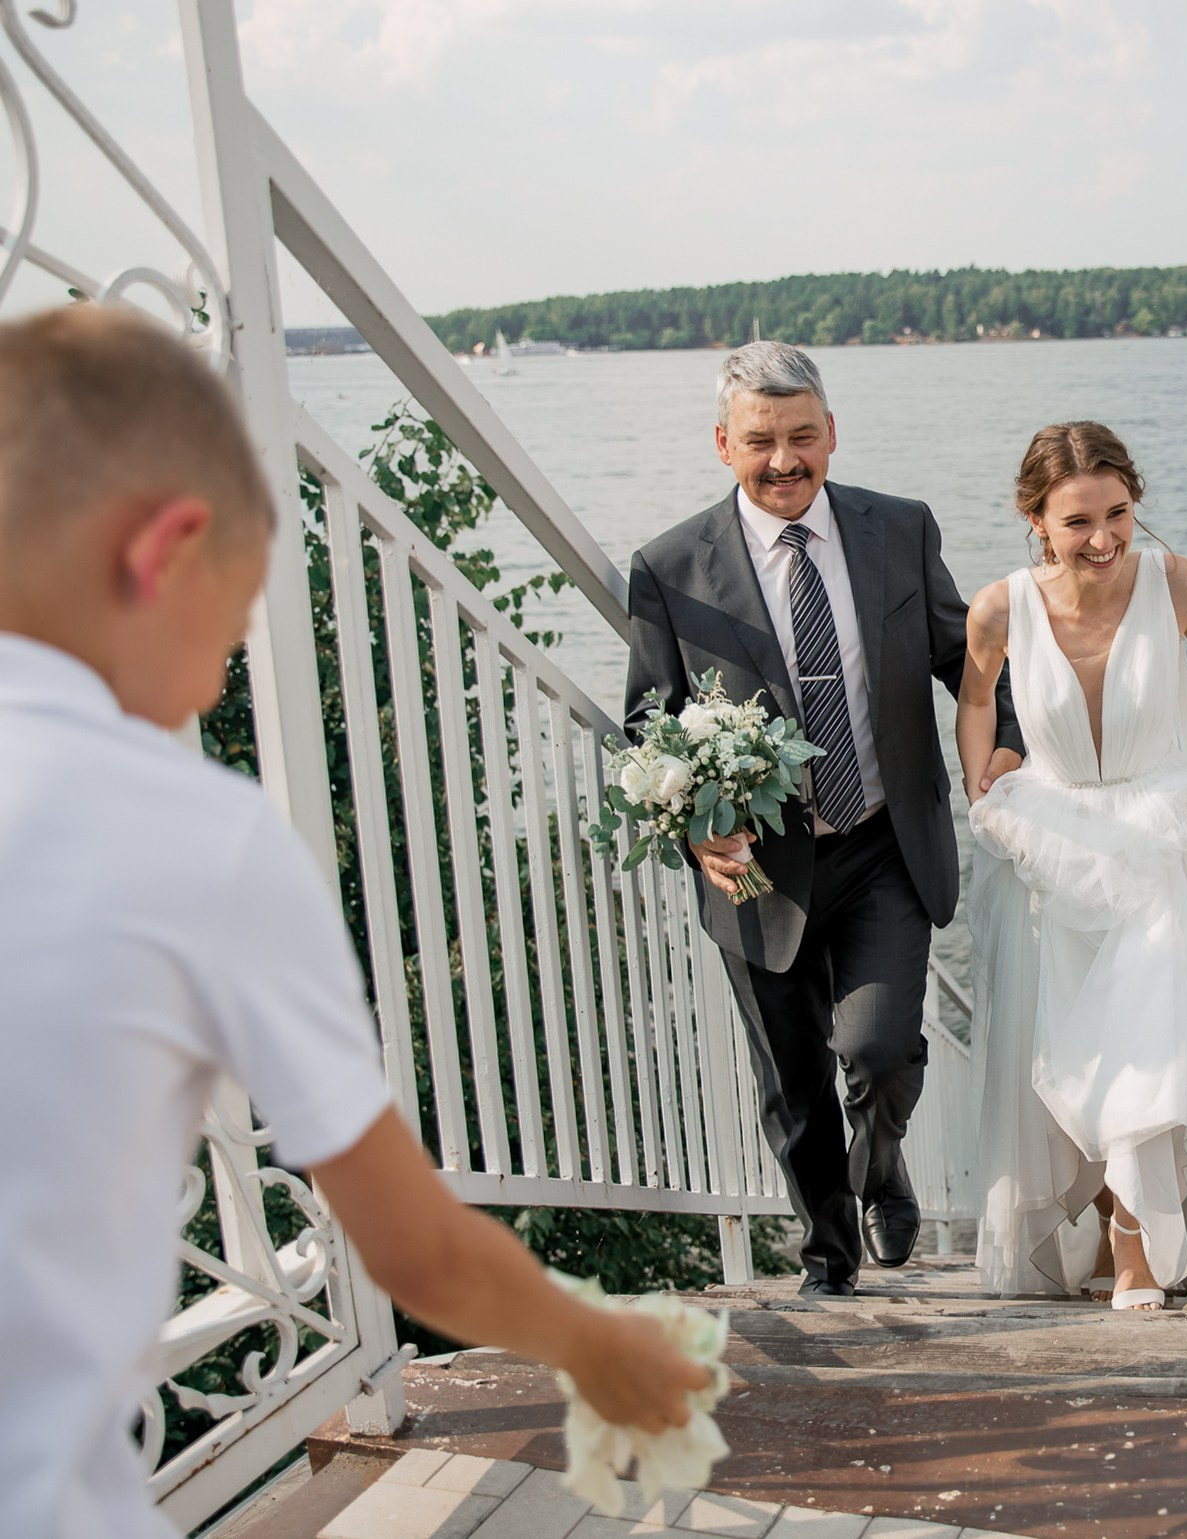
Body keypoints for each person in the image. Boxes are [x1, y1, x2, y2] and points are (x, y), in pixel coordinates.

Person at [0, 305, 711, 1539]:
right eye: (236, 614)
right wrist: (594, 1343)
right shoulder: (193, 835)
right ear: (165, 549)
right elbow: (418, 1252)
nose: (226, 669)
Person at [622, 342, 1022, 1296]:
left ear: (831, 433)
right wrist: (692, 826)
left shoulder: (900, 528)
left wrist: (1004, 749)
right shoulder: (669, 567)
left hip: (885, 839)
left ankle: (881, 1162)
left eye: (804, 435)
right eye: (762, 441)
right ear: (725, 443)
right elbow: (649, 721)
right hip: (756, 865)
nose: (786, 459)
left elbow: (963, 656)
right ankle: (827, 1260)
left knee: (881, 1050)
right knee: (795, 1081)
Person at [960, 422, 1187, 1309]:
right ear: (1034, 519)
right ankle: (1114, 1240)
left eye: (1118, 513)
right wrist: (981, 780)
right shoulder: (1000, 607)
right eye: (1077, 521)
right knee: (1083, 1054)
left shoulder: (1174, 584)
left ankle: (1136, 1244)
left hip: (1161, 833)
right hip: (1057, 837)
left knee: (1148, 1047)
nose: (1102, 539)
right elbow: (977, 699)